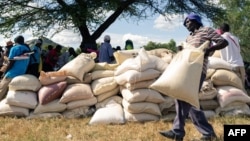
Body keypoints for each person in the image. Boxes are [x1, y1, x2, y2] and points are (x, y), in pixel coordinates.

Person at [159, 13, 228, 141]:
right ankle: (208, 133)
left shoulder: (206, 30)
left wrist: (208, 50)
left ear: (195, 21)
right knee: (189, 100)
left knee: (184, 98)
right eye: (185, 23)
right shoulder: (189, 37)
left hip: (197, 70)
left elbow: (223, 42)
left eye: (188, 22)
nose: (186, 25)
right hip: (186, 70)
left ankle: (177, 131)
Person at [0, 35, 30, 100]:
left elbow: (11, 62)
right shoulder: (27, 49)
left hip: (12, 73)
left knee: (1, 89)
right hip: (22, 73)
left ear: (15, 42)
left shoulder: (15, 48)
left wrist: (5, 72)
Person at [217, 23, 246, 87]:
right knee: (242, 88)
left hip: (232, 66)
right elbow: (238, 50)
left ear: (221, 30)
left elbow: (213, 47)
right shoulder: (235, 38)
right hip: (241, 65)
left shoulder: (220, 38)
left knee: (234, 87)